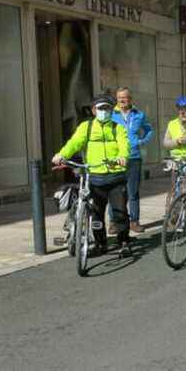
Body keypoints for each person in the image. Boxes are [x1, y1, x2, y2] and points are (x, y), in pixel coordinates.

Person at [52, 94, 132, 256]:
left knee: (120, 213)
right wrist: (61, 155)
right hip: (94, 178)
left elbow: (125, 146)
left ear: (111, 110)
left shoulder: (118, 128)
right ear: (94, 110)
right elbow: (74, 143)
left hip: (115, 177)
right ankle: (101, 244)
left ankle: (124, 242)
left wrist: (122, 157)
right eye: (101, 108)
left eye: (107, 108)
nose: (104, 111)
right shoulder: (86, 127)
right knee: (96, 215)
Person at [109, 86, 153, 235]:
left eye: (125, 97)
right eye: (119, 97)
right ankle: (114, 222)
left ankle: (134, 221)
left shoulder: (139, 115)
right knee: (114, 192)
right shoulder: (111, 115)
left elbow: (149, 130)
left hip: (134, 157)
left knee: (132, 192)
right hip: (116, 158)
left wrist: (140, 141)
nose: (122, 100)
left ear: (130, 99)